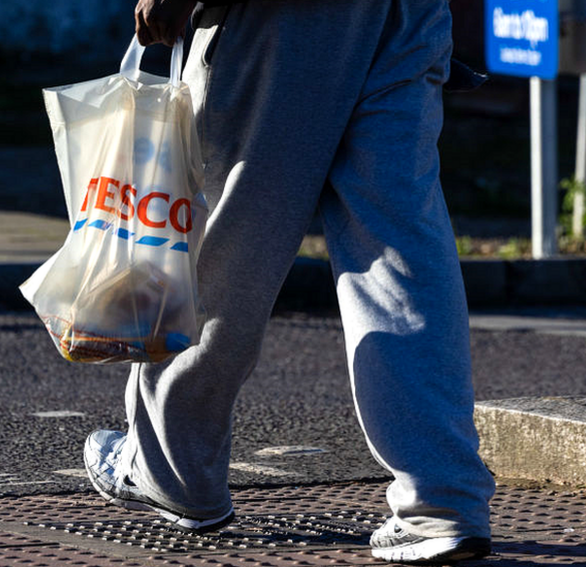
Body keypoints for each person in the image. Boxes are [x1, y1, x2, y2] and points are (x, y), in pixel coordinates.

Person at [83, 0, 496, 563]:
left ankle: (176, 470)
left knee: (228, 239)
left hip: (283, 18)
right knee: (398, 247)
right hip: (406, 13)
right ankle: (440, 502)